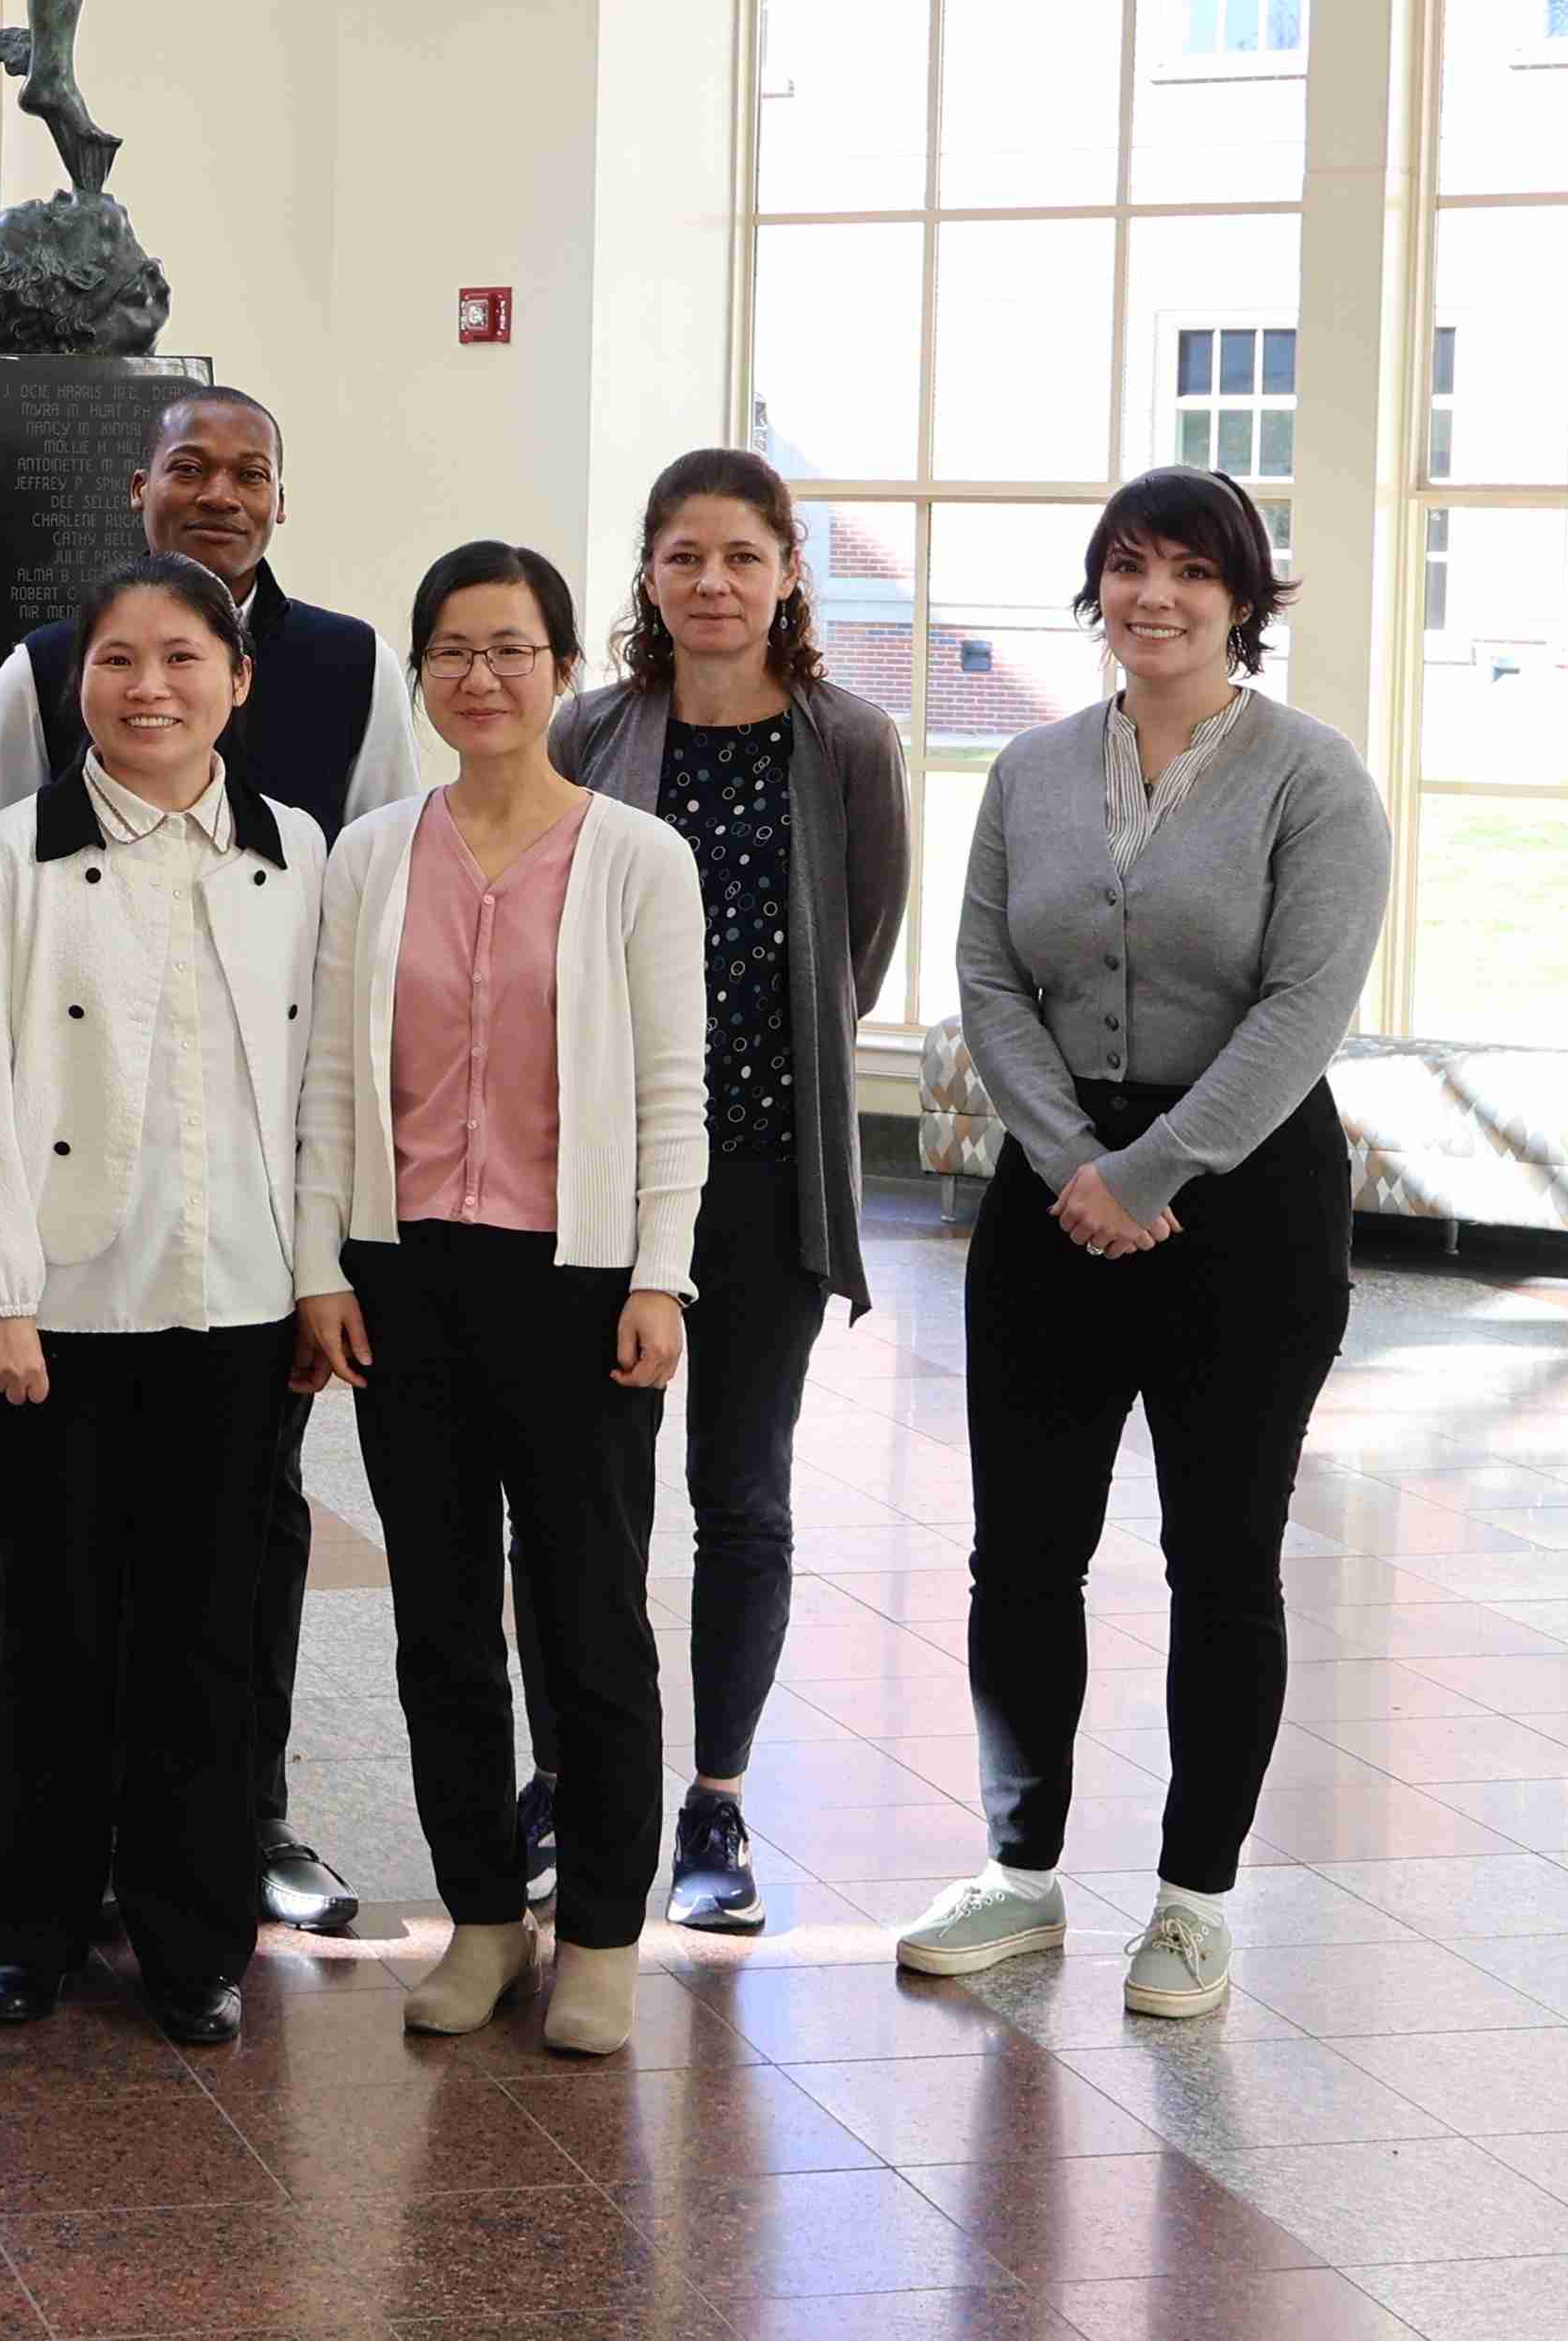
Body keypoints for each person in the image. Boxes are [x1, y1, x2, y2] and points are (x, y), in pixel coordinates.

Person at [898, 468, 1388, 2020]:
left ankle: (1192, 1901)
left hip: (1243, 1208)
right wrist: (1073, 1162)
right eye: (1124, 567)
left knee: (1219, 1560)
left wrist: (1156, 1167)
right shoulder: (1031, 770)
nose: (1151, 596)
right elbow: (983, 970)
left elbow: (1302, 1011)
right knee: (1019, 1554)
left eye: (1187, 570)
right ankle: (1019, 1874)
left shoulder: (1313, 780)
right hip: (1055, 1202)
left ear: (1243, 598)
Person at [0, 385, 416, 1933]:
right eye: (187, 467)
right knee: (64, 1587)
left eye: (248, 472)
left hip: (239, 1246)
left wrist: (324, 1261)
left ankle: (235, 1850)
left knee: (234, 1578)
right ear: (140, 491)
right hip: (75, 1242)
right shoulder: (34, 685)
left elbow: (354, 977)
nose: (218, 493)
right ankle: (49, 1892)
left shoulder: (343, 686)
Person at [294, 541, 705, 2060]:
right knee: (442, 1622)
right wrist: (320, 1265)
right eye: (453, 652)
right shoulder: (370, 853)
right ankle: (479, 1917)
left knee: (588, 1617)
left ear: (562, 670)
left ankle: (598, 1930)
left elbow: (674, 1087)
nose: (481, 677)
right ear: (421, 674)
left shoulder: (631, 858)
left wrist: (659, 1270)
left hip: (580, 1277)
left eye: (511, 649)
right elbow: (331, 1080)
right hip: (408, 1278)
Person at [0, 552, 322, 2050]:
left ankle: (190, 1935)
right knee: (55, 1622)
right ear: (69, 684)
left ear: (235, 680)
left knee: (209, 1633)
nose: (147, 687)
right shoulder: (12, 850)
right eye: (115, 661)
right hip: (63, 1299)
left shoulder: (293, 847)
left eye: (180, 659)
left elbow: (321, 1091)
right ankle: (26, 1926)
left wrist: (317, 1274)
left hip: (237, 1293)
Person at [511, 449, 908, 1933]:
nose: (713, 584)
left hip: (760, 1184)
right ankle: (572, 1776)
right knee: (575, 1503)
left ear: (789, 572)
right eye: (684, 556)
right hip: (596, 1188)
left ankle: (717, 1806)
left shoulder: (849, 743)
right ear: (649, 574)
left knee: (736, 1498)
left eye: (742, 556)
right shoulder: (591, 726)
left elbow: (851, 958)